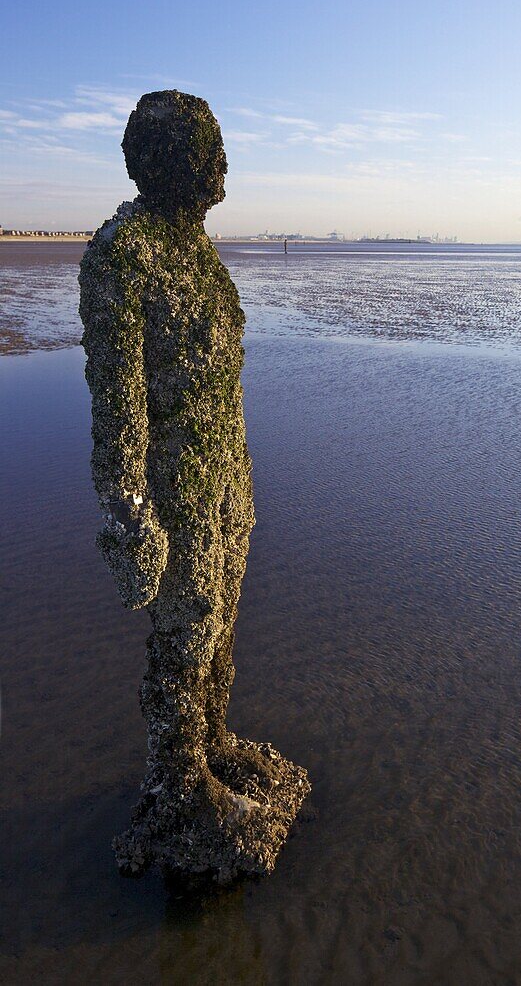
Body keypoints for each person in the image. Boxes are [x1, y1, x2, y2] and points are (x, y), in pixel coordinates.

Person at [79, 90, 309, 884]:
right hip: (174, 488)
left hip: (222, 477)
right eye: (204, 148)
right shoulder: (126, 249)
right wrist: (129, 513)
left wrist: (240, 479)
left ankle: (210, 742)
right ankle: (178, 781)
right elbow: (118, 401)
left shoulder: (197, 254)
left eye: (219, 148)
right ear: (159, 158)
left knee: (222, 619)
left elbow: (223, 384)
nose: (220, 165)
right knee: (185, 629)